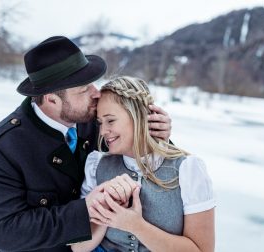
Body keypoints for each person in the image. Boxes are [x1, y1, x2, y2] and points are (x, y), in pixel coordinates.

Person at [0, 36, 172, 252]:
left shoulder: (92, 120)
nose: (96, 93)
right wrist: (86, 209)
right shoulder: (0, 148)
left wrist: (152, 133)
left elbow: (134, 152)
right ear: (51, 99)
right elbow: (5, 233)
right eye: (83, 89)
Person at [71, 76, 215, 252]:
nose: (102, 131)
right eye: (100, 123)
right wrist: (107, 209)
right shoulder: (96, 165)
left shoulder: (188, 170)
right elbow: (78, 248)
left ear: (137, 117)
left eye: (111, 120)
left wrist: (136, 226)